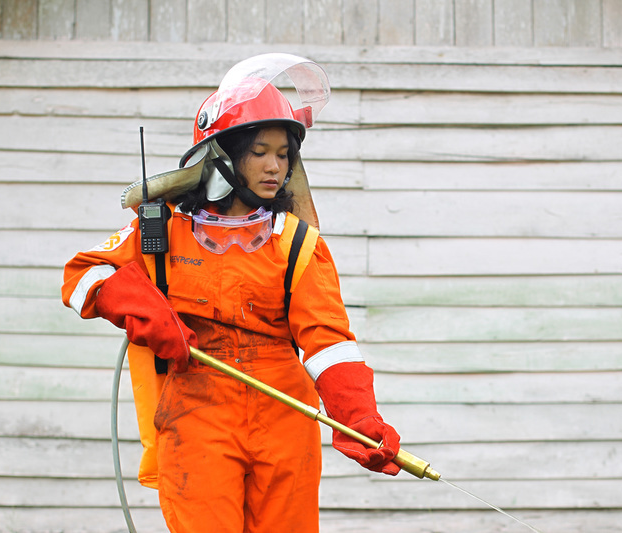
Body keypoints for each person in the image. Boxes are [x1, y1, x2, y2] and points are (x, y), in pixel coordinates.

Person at [61, 54, 401, 533]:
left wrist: (359, 416)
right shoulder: (162, 228)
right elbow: (80, 275)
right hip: (195, 405)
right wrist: (142, 309)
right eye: (260, 150)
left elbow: (329, 341)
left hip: (284, 410)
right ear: (221, 154)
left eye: (283, 154)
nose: (274, 166)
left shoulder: (296, 240)